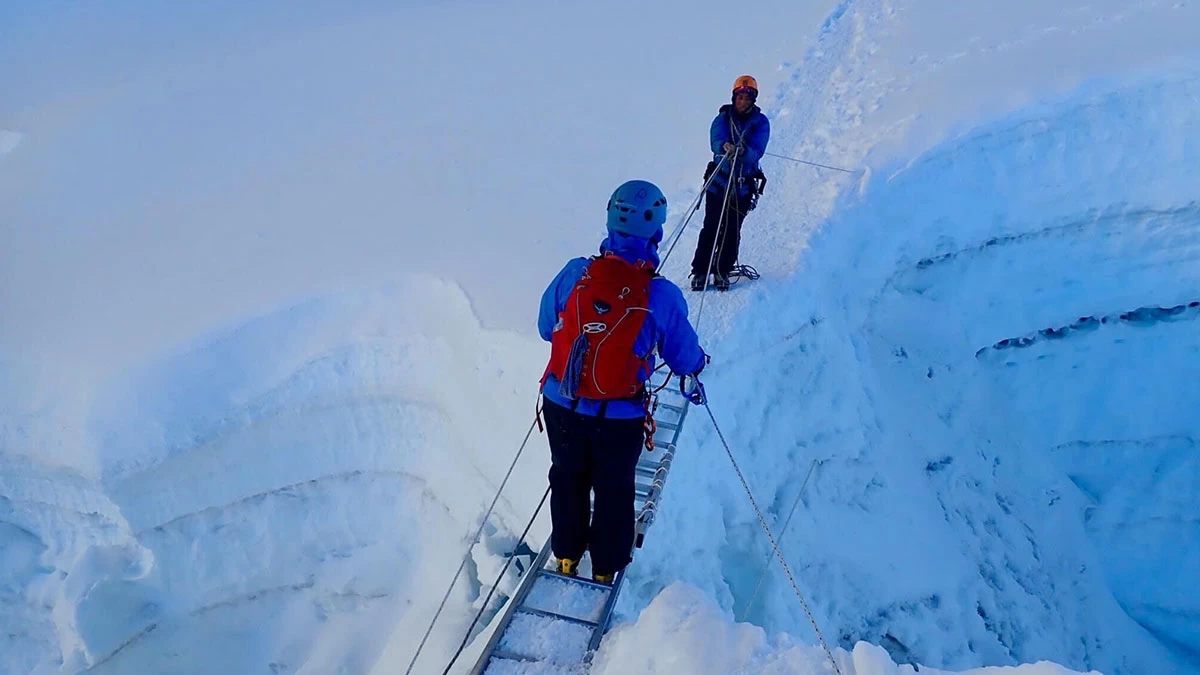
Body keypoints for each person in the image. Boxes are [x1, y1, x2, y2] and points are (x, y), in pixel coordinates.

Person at [538, 179, 708, 583]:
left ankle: (566, 556)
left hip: (561, 403)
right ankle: (603, 568)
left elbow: (547, 326)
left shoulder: (576, 273)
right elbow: (684, 357)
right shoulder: (660, 295)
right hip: (618, 418)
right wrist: (698, 367)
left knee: (566, 478)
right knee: (614, 490)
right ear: (658, 232)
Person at [690, 75, 771, 292]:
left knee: (733, 229)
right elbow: (715, 141)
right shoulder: (722, 119)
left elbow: (758, 150)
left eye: (747, 97)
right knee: (712, 226)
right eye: (740, 97)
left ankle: (722, 270)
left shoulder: (760, 123)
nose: (742, 101)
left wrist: (744, 152)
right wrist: (725, 146)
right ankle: (700, 270)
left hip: (742, 186)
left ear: (753, 99)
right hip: (719, 183)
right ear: (734, 97)